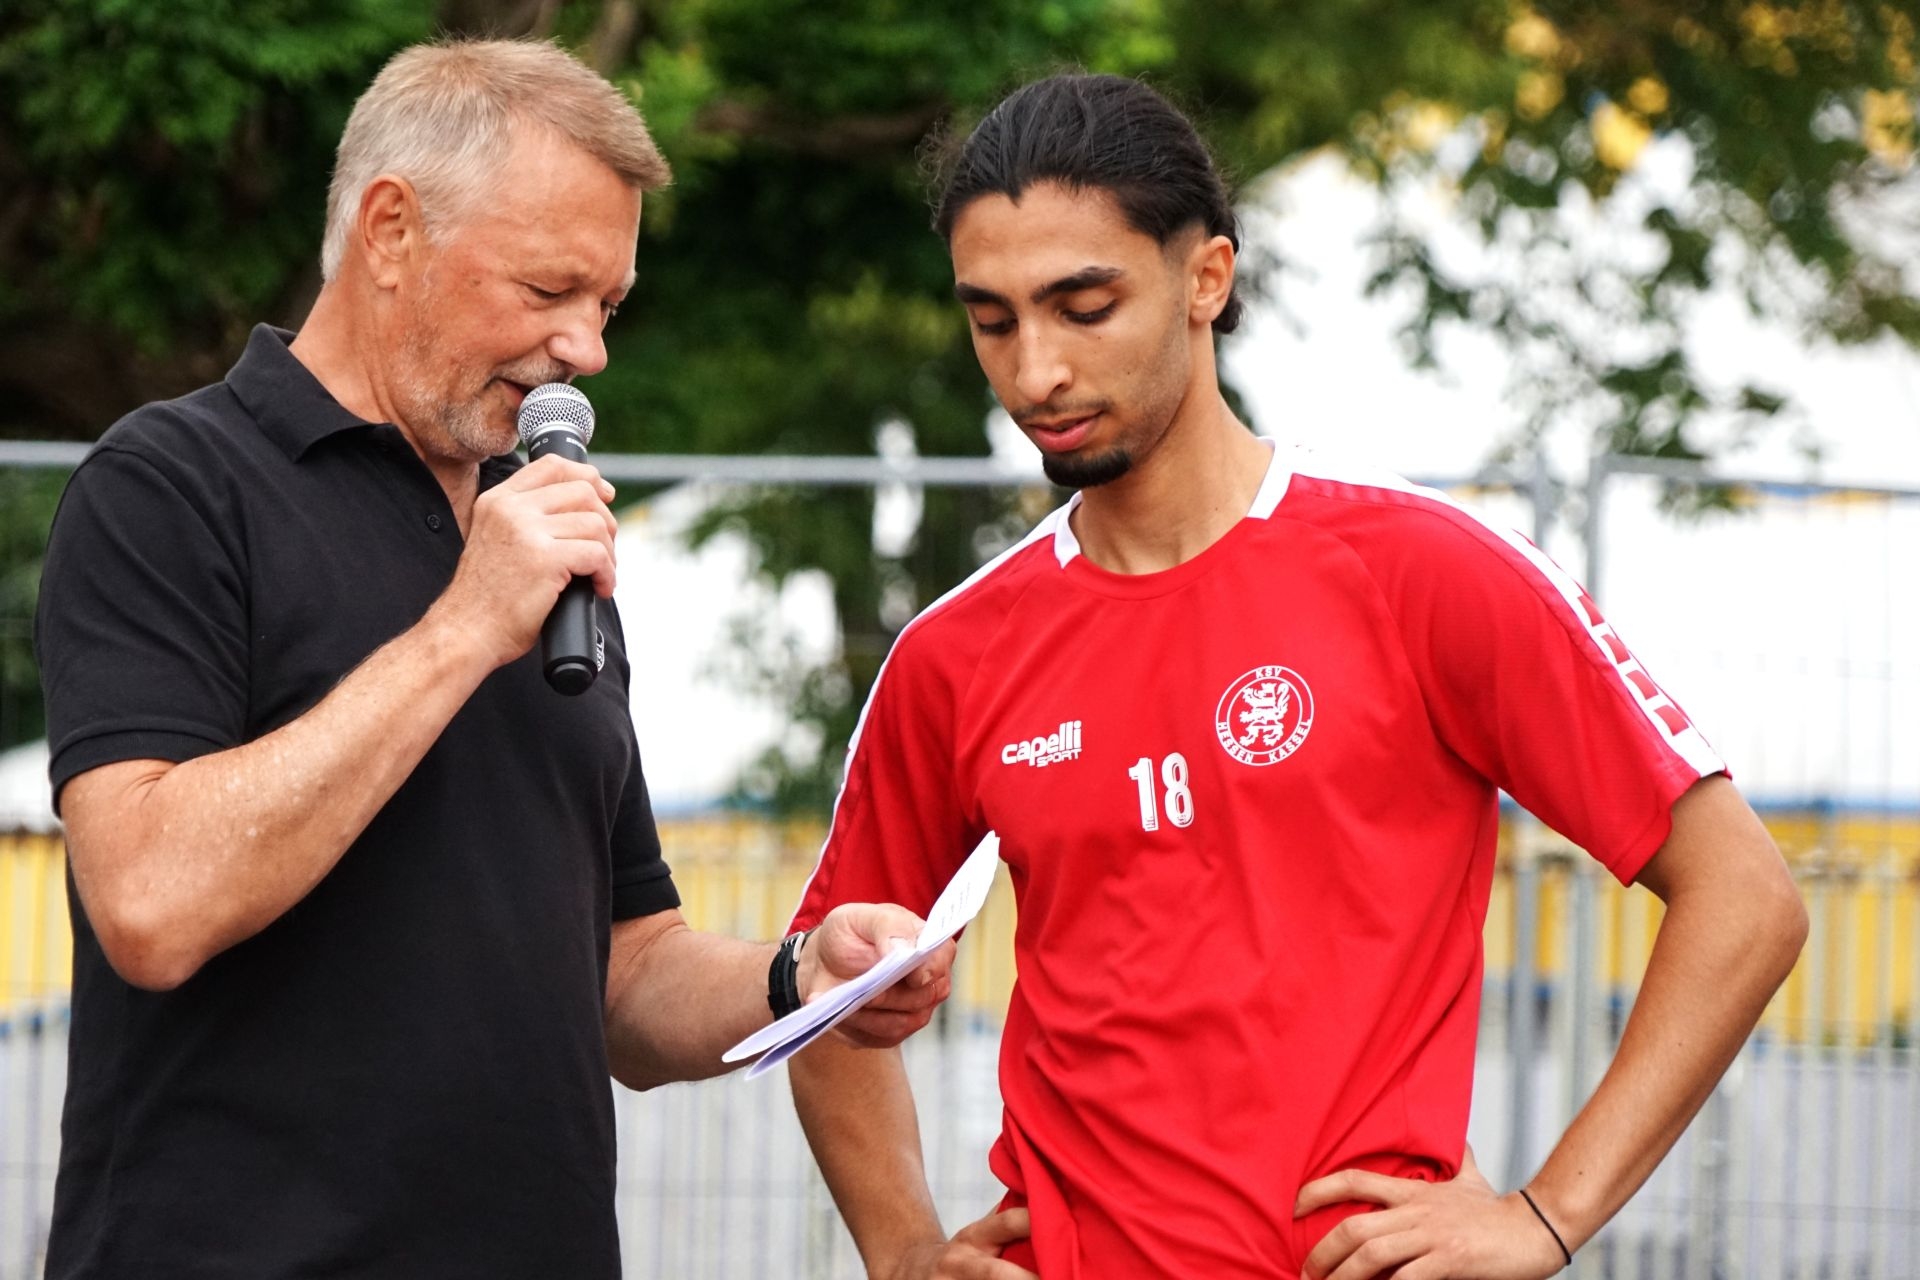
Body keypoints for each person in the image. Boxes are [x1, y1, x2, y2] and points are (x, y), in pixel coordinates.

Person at [785, 73, 1808, 1279]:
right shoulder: (955, 654)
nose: (1035, 371)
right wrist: (905, 1250)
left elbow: (1746, 896)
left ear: (1206, 278)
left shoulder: (1421, 571)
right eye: (993, 321)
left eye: (1084, 306)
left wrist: (1547, 1214)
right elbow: (827, 991)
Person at [32, 38, 952, 1280]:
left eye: (608, 305)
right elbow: (150, 902)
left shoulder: (543, 537)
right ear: (391, 230)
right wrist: (465, 625)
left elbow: (626, 971)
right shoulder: (170, 487)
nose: (589, 349)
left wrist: (801, 976)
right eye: (549, 288)